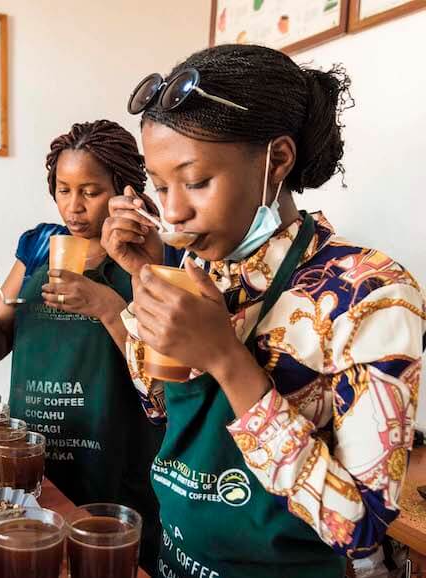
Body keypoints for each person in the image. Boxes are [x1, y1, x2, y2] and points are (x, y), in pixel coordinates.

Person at [102, 44, 426, 577]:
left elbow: (361, 527)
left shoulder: (368, 292)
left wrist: (229, 360)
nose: (175, 210)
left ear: (277, 159)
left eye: (197, 181)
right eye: (161, 187)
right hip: (177, 560)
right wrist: (144, 278)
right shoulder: (201, 268)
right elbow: (159, 407)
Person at [0, 120, 163, 572]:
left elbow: (167, 375)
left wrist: (108, 307)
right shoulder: (36, 246)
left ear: (124, 188)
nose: (74, 206)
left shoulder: (149, 257)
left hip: (111, 457)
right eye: (64, 189)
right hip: (33, 453)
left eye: (90, 191)